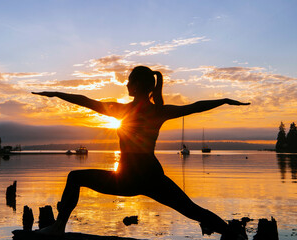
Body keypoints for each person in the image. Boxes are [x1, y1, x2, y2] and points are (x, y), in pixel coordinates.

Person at [32, 66, 250, 239]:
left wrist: (56, 94)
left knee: (75, 177)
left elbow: (87, 102)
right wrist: (224, 100)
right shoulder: (159, 111)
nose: (126, 84)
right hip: (152, 175)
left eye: (129, 81)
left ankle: (58, 227)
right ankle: (234, 234)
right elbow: (195, 106)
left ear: (136, 86)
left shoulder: (122, 111)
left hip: (127, 178)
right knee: (191, 209)